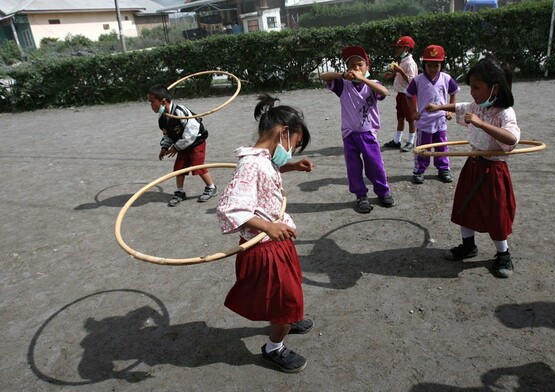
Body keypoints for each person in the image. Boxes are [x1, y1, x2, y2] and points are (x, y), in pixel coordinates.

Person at [216, 94, 315, 373]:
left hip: (276, 242)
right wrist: (268, 226)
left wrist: (291, 166)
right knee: (287, 298)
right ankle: (274, 348)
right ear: (283, 133)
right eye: (294, 146)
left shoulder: (263, 158)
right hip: (264, 247)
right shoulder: (251, 164)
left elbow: (270, 168)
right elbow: (230, 207)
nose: (292, 152)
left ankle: (286, 318)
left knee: (288, 290)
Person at [425, 55, 520, 278]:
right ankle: (468, 245)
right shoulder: (477, 106)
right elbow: (459, 106)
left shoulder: (505, 113)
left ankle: (503, 254)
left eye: (476, 87)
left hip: (493, 170)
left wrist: (481, 123)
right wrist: (438, 106)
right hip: (473, 164)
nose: (472, 93)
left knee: (496, 214)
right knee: (464, 206)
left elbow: (511, 140)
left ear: (494, 88)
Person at [320, 46, 395, 213]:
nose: (356, 69)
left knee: (375, 165)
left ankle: (383, 192)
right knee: (353, 167)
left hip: (368, 133)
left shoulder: (373, 85)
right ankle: (361, 196)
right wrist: (342, 75)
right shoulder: (343, 85)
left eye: (359, 65)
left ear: (367, 66)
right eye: (351, 65)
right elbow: (323, 76)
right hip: (349, 134)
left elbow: (384, 92)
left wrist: (363, 79)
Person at [147, 85, 218, 206]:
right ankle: (180, 192)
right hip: (182, 144)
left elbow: (191, 133)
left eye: (152, 102)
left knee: (197, 165)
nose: (150, 105)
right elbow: (167, 134)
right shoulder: (162, 117)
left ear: (163, 101)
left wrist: (175, 148)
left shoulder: (180, 111)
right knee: (179, 167)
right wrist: (164, 147)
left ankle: (211, 187)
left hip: (196, 141)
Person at [405, 44, 459, 184]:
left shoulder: (446, 78)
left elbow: (453, 94)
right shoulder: (417, 80)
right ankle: (419, 170)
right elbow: (408, 95)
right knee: (423, 147)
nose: (433, 69)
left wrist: (449, 110)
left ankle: (443, 169)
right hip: (424, 121)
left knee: (441, 145)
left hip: (440, 120)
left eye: (437, 65)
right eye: (430, 65)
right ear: (424, 65)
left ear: (441, 65)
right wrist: (414, 111)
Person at [383, 35, 419, 152]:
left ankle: (411, 141)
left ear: (407, 49)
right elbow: (402, 75)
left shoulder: (410, 63)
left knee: (411, 118)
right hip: (400, 93)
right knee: (400, 117)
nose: (396, 50)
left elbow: (412, 81)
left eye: (399, 47)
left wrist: (400, 71)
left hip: (408, 94)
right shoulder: (403, 60)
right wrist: (393, 74)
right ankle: (397, 140)